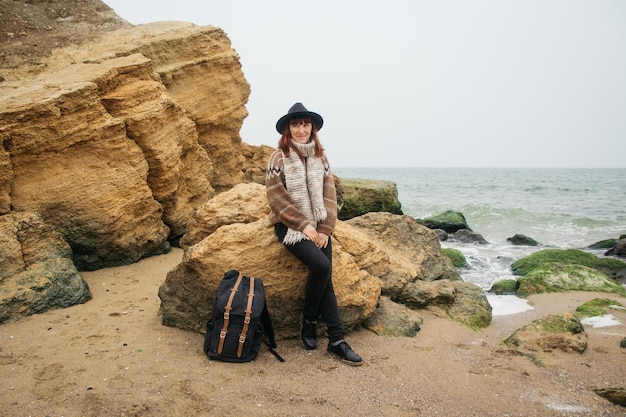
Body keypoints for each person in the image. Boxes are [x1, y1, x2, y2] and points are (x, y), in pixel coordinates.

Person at [265, 102, 363, 366]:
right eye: (296, 124)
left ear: (313, 128)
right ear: (288, 128)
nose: (301, 129)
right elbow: (277, 198)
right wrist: (304, 226)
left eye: (305, 124)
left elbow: (328, 195)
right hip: (289, 226)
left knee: (326, 277)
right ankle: (308, 320)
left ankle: (337, 341)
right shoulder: (278, 158)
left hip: (318, 225)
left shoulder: (321, 158)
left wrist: (324, 229)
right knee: (320, 266)